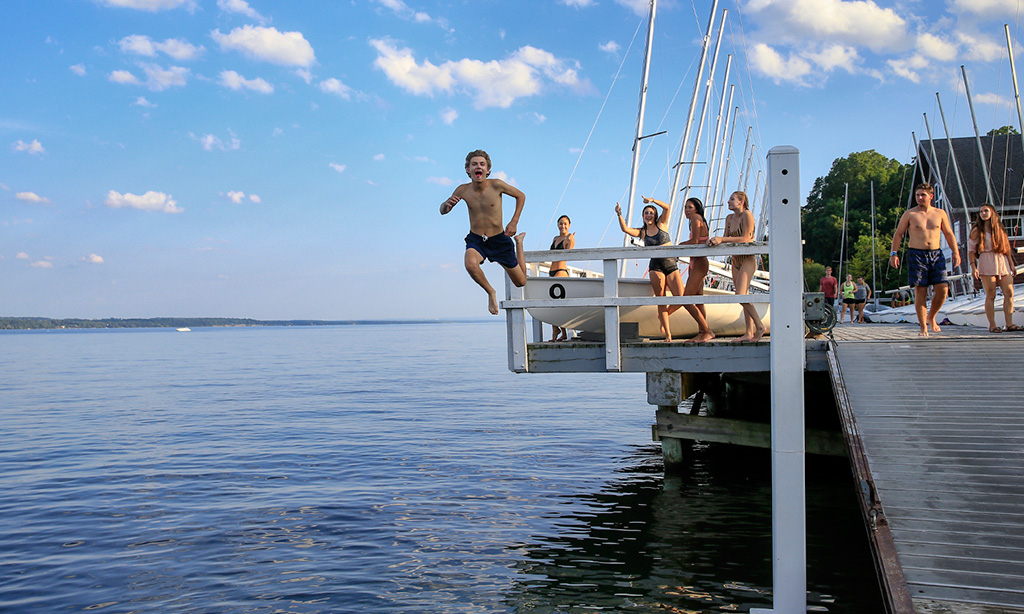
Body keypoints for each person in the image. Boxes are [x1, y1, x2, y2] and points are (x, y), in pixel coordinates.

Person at [440, 150, 527, 315]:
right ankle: (490, 292)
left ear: (488, 170)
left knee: (521, 282)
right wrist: (446, 204)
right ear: (468, 169)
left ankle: (519, 243)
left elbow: (521, 196)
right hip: (477, 239)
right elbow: (443, 211)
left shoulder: (496, 185)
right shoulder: (463, 190)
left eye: (482, 164)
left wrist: (514, 221)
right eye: (474, 164)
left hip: (499, 240)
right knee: (470, 264)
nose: (478, 167)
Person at [889, 182, 962, 336]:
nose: (920, 198)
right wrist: (893, 253)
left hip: (936, 254)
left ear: (931, 196)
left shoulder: (940, 213)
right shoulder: (910, 214)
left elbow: (949, 233)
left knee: (943, 289)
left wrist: (956, 252)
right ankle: (923, 327)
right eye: (917, 195)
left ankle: (932, 317)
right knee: (920, 291)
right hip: (917, 254)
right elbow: (899, 234)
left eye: (923, 195)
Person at [615, 196, 684, 341]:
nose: (649, 215)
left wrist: (652, 201)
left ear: (655, 215)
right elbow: (625, 229)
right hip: (656, 266)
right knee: (661, 299)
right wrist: (619, 214)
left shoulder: (662, 224)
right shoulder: (642, 232)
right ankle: (668, 334)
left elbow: (667, 207)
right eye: (646, 213)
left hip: (670, 263)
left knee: (681, 297)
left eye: (651, 213)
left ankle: (662, 315)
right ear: (643, 216)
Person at [708, 191, 766, 342]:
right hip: (735, 259)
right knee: (744, 295)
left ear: (741, 202)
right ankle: (748, 332)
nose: (728, 202)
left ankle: (760, 326)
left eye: (732, 199)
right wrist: (716, 241)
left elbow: (746, 238)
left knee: (740, 295)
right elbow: (726, 238)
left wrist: (722, 238)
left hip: (747, 258)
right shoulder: (729, 218)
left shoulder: (747, 215)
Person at [968, 203, 1020, 333]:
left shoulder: (999, 228)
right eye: (981, 211)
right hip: (986, 260)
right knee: (991, 294)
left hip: (1002, 260)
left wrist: (1012, 264)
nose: (983, 213)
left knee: (1009, 292)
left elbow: (1006, 248)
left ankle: (1009, 323)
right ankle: (992, 325)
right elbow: (971, 250)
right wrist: (973, 267)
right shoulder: (977, 230)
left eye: (986, 211)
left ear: (992, 212)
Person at [679, 197, 714, 342]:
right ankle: (701, 332)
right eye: (686, 207)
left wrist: (678, 246)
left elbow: (694, 241)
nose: (687, 210)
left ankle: (707, 331)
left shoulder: (695, 217)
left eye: (690, 207)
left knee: (687, 299)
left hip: (699, 262)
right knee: (698, 301)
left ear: (697, 209)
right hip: (695, 262)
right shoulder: (698, 218)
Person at [548, 215, 575, 341]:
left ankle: (558, 332)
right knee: (551, 304)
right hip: (552, 272)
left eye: (565, 224)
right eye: (560, 223)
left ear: (569, 225)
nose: (562, 226)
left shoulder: (569, 238)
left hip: (561, 271)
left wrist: (570, 242)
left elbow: (570, 252)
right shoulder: (555, 238)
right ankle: (559, 331)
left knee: (558, 304)